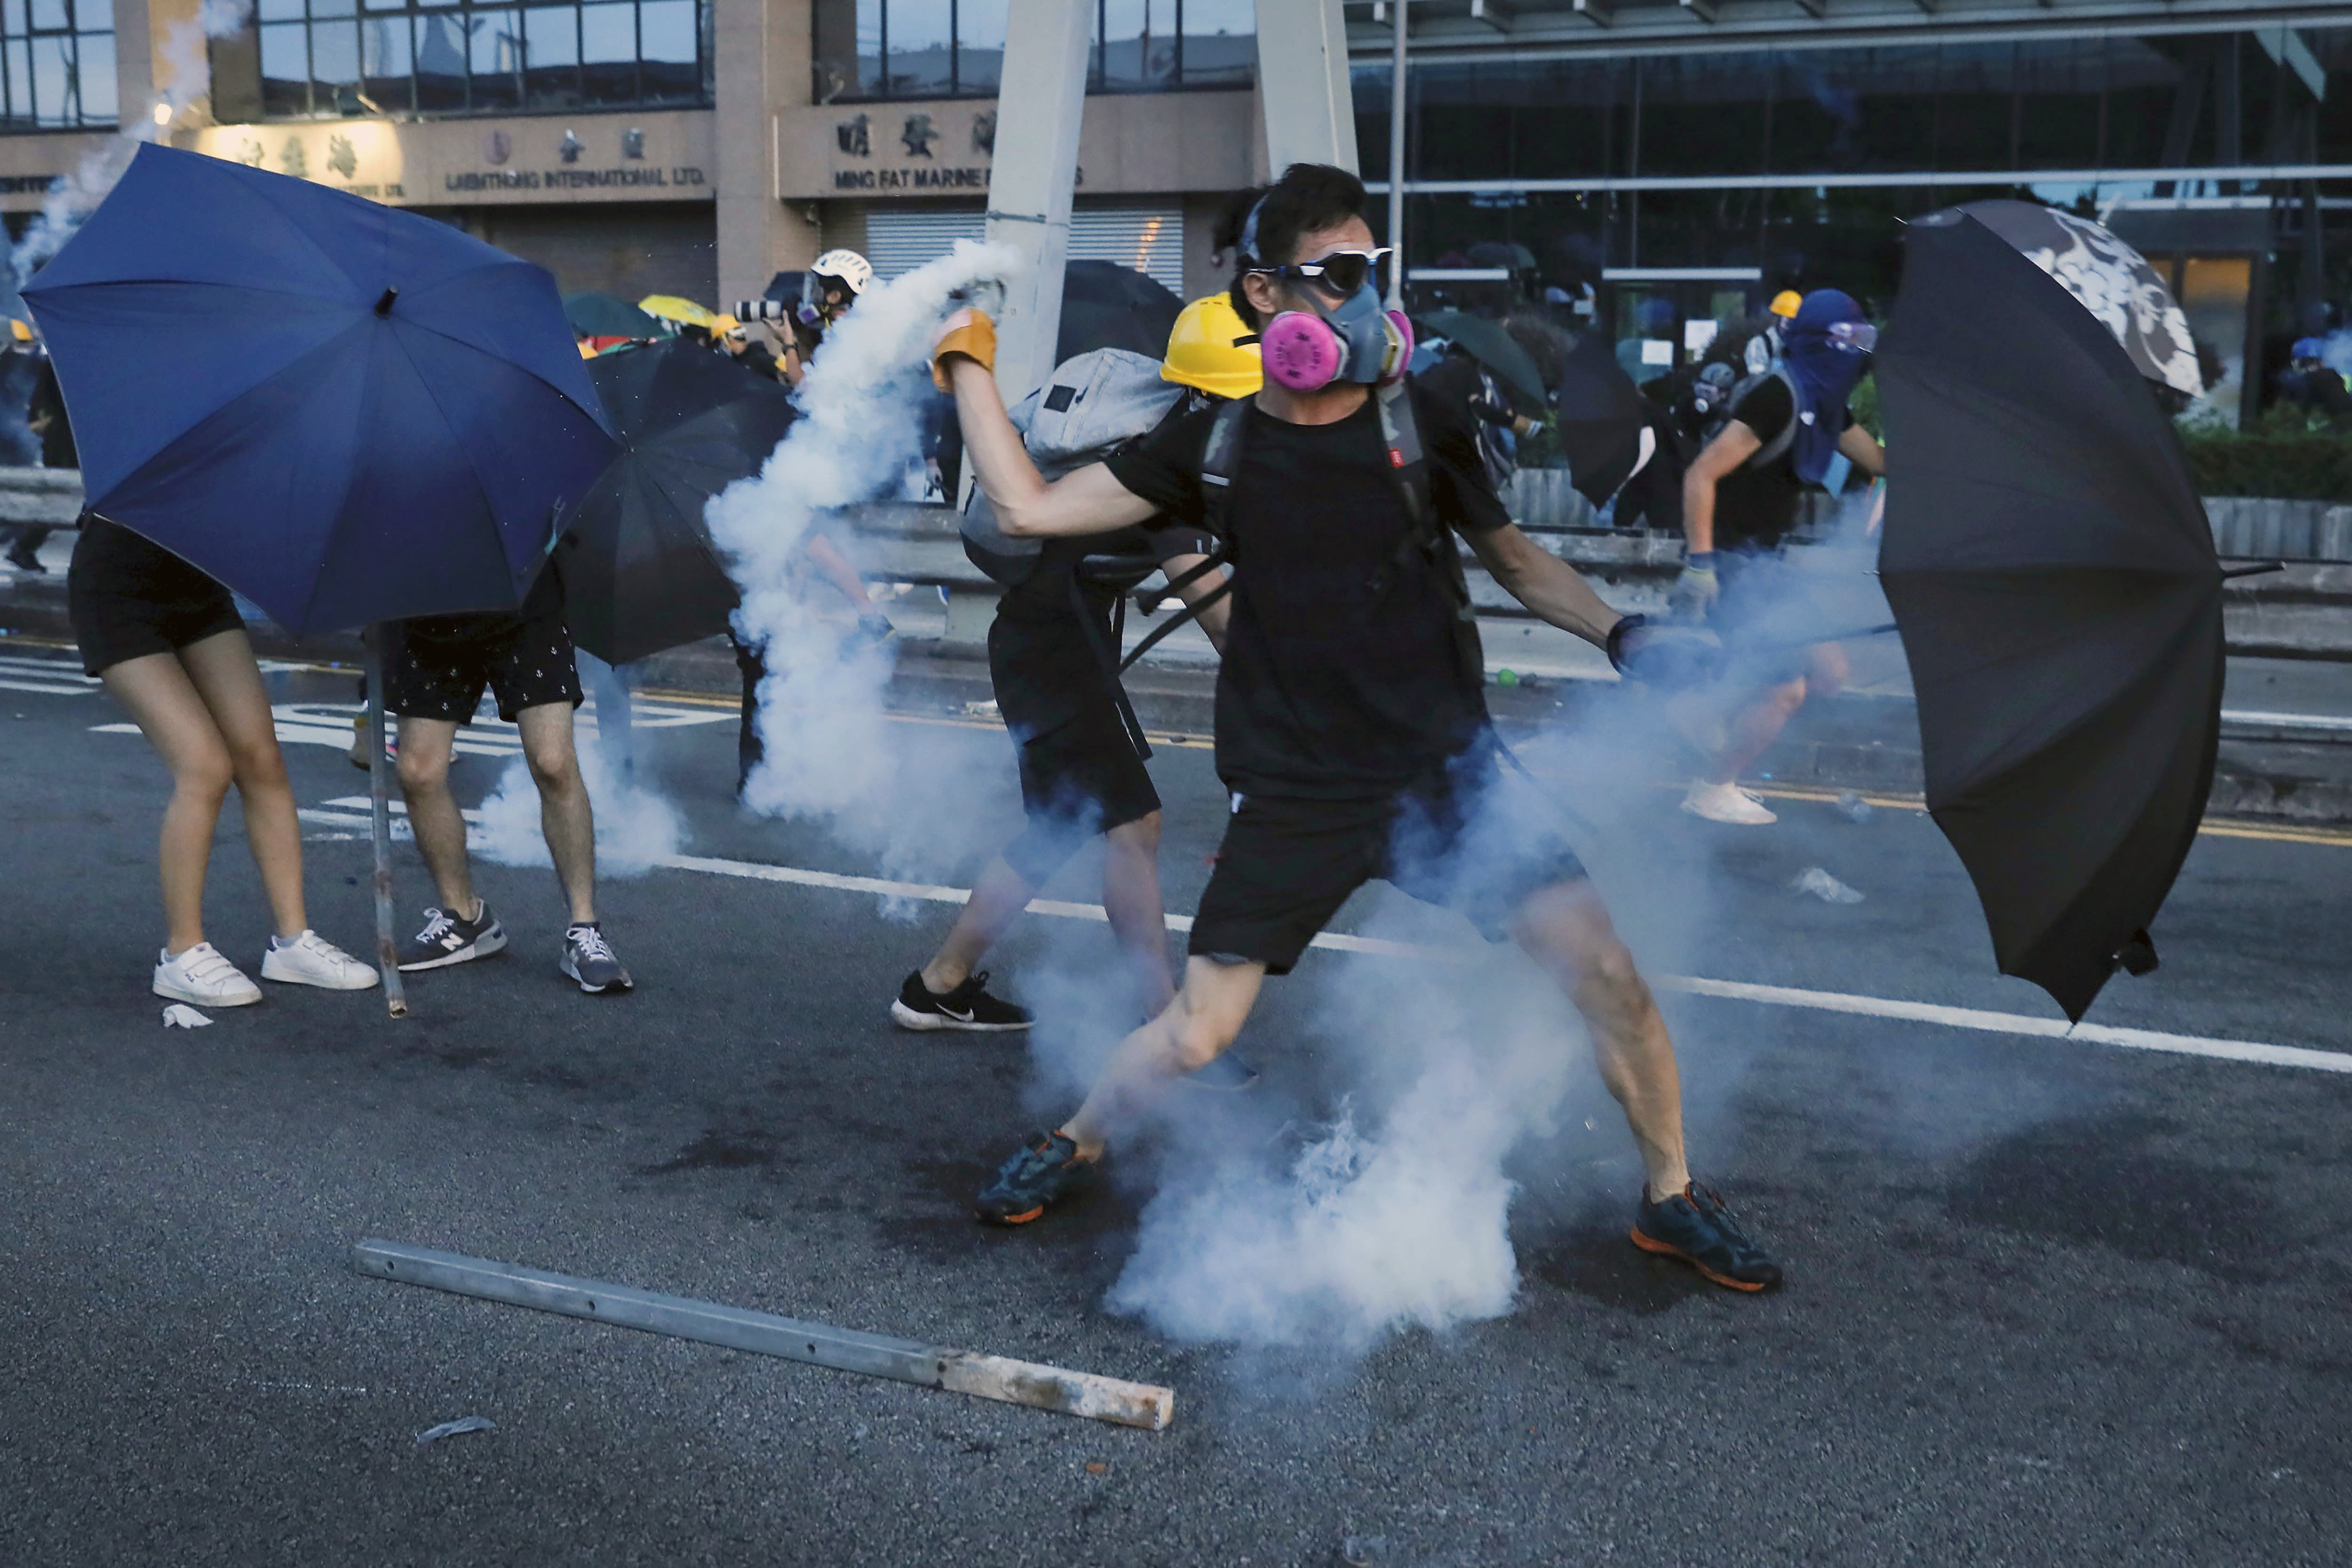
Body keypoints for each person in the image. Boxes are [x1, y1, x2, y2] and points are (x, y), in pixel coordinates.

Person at [931, 163, 1782, 1293]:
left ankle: (1671, 1197)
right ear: (1264, 296)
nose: (1361, 297)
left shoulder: (1417, 417)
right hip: (1297, 789)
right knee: (1197, 1031)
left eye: (1368, 272)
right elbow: (1027, 508)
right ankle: (1076, 1140)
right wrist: (966, 368)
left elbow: (1519, 564)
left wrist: (1621, 633)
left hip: (1448, 777)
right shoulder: (1212, 448)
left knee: (1609, 974)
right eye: (1334, 276)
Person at [892, 296, 1249, 1071]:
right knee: (1133, 826)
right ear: (1224, 393)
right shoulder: (1170, 471)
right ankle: (1165, 1021)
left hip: (1043, 646)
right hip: (1051, 656)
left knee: (1058, 829)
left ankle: (938, 985)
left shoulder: (1157, 439)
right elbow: (1218, 612)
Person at [67, 516, 379, 1004]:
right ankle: (182, 953)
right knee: (205, 766)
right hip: (118, 595)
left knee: (261, 758)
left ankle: (293, 942)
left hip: (198, 589)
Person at [1672, 288, 1887, 826]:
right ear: (1820, 343)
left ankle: (1703, 714)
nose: (1859, 352)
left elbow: (1881, 462)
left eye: (1865, 340)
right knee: (1785, 688)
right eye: (1851, 340)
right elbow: (1700, 474)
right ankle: (1712, 786)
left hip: (1764, 563)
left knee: (1829, 671)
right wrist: (1700, 566)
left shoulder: (1823, 402)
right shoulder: (1777, 395)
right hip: (1729, 561)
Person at [385, 562, 632, 994]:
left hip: (525, 596)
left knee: (553, 763)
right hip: (432, 606)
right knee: (417, 771)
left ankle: (584, 929)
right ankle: (464, 917)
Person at [732, 248, 894, 791]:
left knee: (798, 539)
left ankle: (864, 612)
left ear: (847, 291)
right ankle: (853, 617)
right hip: (824, 465)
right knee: (797, 551)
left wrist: (787, 348)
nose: (817, 297)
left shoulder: (856, 341)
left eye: (826, 287)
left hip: (830, 467)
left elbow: (810, 398)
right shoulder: (843, 333)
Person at [2275, 337, 2352, 432]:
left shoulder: (2295, 383)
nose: (2311, 368)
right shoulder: (2336, 378)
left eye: (2312, 362)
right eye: (2307, 363)